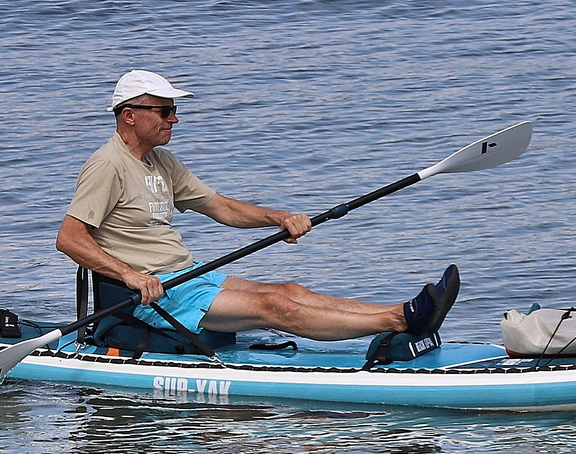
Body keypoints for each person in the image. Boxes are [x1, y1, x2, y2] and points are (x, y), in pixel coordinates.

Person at [56, 69, 458, 343]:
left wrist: (278, 218)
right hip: (154, 296)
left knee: (290, 289)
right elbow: (70, 239)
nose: (174, 119)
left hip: (187, 276)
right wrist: (131, 276)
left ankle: (402, 312)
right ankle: (403, 321)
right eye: (165, 111)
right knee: (276, 306)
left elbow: (221, 208)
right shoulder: (107, 165)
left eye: (174, 110)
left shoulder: (161, 160)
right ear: (130, 116)